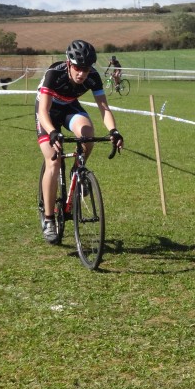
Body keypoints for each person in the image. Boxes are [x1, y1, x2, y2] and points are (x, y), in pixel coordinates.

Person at [36, 39, 124, 244]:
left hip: (69, 107)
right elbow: (42, 111)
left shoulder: (92, 77)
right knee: (53, 160)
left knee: (87, 133)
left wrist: (114, 130)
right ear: (68, 63)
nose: (82, 73)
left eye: (86, 68)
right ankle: (49, 219)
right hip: (48, 111)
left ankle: (78, 171)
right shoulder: (54, 74)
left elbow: (104, 108)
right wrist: (52, 132)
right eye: (77, 68)